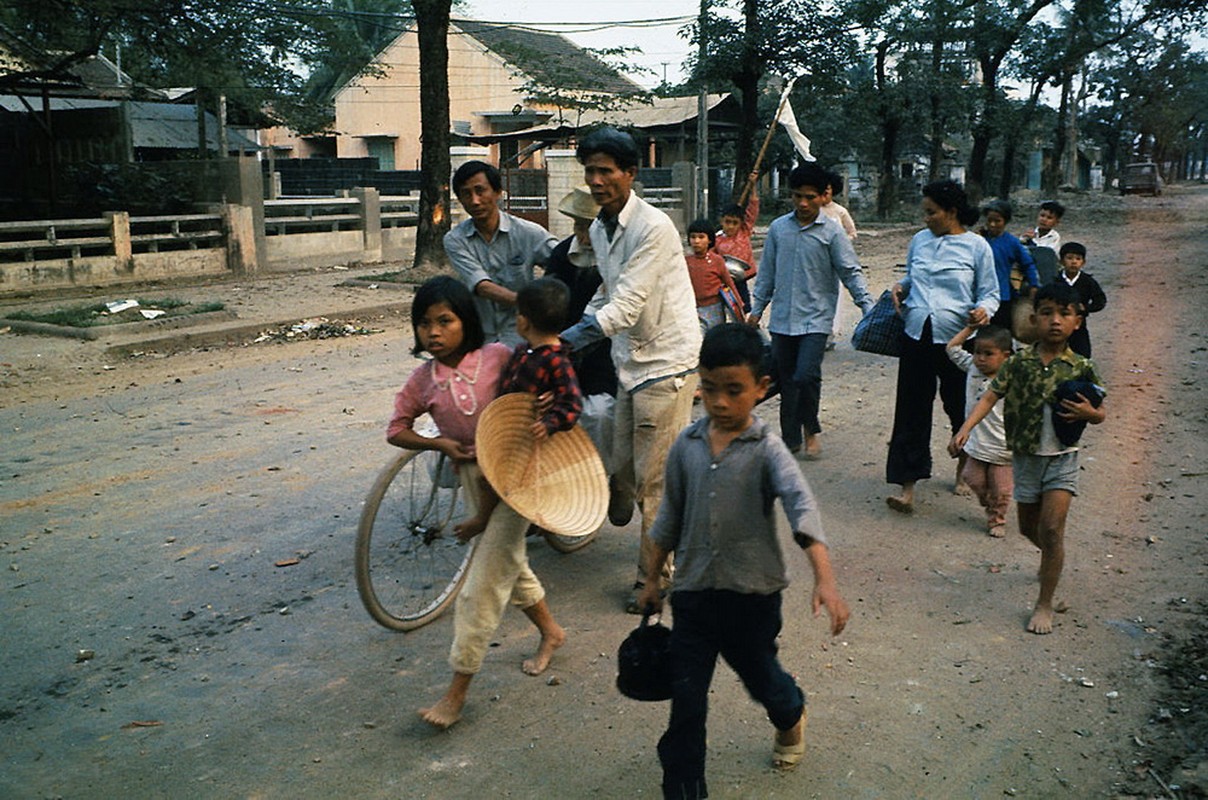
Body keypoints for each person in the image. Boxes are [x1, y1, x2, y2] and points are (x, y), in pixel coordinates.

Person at [635, 323, 850, 798]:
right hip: (692, 595)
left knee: (762, 680)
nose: (720, 402)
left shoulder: (768, 450)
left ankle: (790, 711)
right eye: (709, 389)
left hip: (752, 598)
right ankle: (685, 788)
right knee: (686, 703)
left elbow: (802, 507)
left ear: (761, 388)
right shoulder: (685, 448)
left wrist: (826, 581)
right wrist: (652, 580)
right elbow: (667, 518)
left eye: (734, 391)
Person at [386, 276, 565, 729]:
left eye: (445, 320)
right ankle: (551, 631)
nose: (434, 331)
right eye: (424, 323)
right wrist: (441, 444)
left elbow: (543, 382)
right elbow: (396, 429)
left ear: (466, 320)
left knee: (481, 584)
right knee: (510, 562)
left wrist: (546, 402)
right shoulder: (422, 380)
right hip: (474, 477)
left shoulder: (498, 357)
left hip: (520, 473)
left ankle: (457, 692)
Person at [561, 126, 702, 614]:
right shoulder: (600, 228)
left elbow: (626, 306)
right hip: (629, 362)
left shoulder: (654, 228)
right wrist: (565, 339)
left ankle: (654, 581)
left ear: (630, 173)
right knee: (621, 473)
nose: (597, 181)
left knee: (653, 481)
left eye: (606, 171)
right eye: (590, 172)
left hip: (667, 363)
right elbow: (608, 295)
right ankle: (660, 525)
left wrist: (570, 340)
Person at [951, 283, 1106, 634]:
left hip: (1062, 459)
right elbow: (990, 397)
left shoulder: (1082, 367)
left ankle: (1044, 602)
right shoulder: (1018, 363)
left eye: (1064, 314)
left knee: (1052, 528)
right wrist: (965, 428)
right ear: (1033, 320)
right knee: (1028, 529)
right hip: (1025, 458)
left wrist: (1089, 413)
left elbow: (1101, 412)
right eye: (1047, 313)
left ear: (1077, 323)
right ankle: (1054, 560)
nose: (1055, 321)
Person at [885, 180, 999, 514]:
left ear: (951, 212)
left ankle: (964, 470)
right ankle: (907, 487)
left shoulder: (977, 247)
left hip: (958, 341)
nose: (926, 219)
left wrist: (984, 310)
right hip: (916, 334)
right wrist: (900, 286)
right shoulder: (919, 241)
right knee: (911, 410)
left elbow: (990, 292)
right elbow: (914, 278)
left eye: (931, 212)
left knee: (959, 406)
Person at [748, 161, 874, 460]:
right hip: (782, 319)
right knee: (787, 378)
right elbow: (766, 273)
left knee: (805, 375)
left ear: (823, 197)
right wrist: (756, 309)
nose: (803, 203)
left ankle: (811, 430)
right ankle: (790, 438)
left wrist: (867, 306)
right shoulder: (779, 229)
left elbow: (850, 271)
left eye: (810, 197)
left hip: (816, 318)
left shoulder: (832, 231)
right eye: (797, 196)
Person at [455, 277, 585, 539]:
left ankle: (482, 520)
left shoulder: (556, 361)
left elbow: (572, 403)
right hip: (510, 428)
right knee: (487, 476)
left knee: (492, 481)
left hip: (531, 437)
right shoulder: (525, 350)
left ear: (523, 321)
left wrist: (549, 423)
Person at [445, 160, 557, 347]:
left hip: (523, 339)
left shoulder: (528, 233)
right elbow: (482, 286)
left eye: (480, 191)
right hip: (480, 341)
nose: (474, 200)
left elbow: (563, 260)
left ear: (497, 192)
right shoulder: (455, 239)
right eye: (466, 194)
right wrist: (530, 304)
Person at [945, 324, 1014, 538]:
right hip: (976, 441)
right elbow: (952, 348)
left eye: (988, 354)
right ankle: (990, 502)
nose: (981, 358)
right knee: (972, 478)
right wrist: (971, 328)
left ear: (1006, 356)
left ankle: (997, 520)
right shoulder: (973, 368)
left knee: (1001, 489)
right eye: (977, 352)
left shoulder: (1013, 377)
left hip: (1003, 445)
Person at [980, 199, 1040, 333]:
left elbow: (1028, 263)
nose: (992, 225)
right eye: (989, 220)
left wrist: (1034, 285)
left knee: (1000, 332)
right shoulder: (979, 240)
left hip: (1002, 295)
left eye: (997, 221)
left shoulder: (1012, 243)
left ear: (1005, 221)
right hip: (979, 294)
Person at [685, 217, 744, 332]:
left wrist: (739, 306)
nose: (696, 241)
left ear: (710, 240)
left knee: (714, 340)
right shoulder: (685, 262)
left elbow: (729, 283)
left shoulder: (717, 261)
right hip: (692, 308)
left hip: (714, 308)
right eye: (693, 237)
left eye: (701, 237)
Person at [713, 171, 761, 310]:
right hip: (724, 281)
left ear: (740, 223)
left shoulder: (744, 232)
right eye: (727, 222)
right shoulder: (717, 240)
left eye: (735, 223)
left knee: (744, 308)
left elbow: (753, 208)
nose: (731, 226)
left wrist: (752, 185)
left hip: (742, 278)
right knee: (724, 307)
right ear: (721, 221)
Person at [1054, 242, 1106, 358]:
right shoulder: (1055, 280)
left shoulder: (1087, 281)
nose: (1074, 262)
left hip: (1079, 326)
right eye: (1069, 258)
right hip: (1058, 324)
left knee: (1082, 355)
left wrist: (1086, 308)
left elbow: (1100, 300)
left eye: (1078, 259)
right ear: (1061, 261)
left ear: (1083, 262)